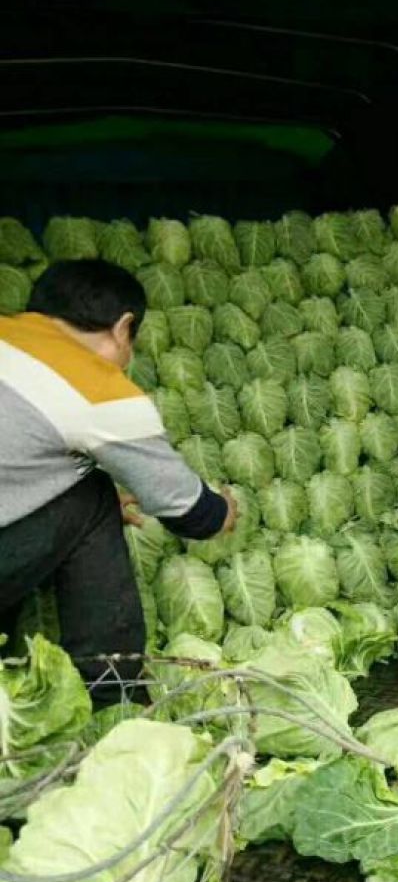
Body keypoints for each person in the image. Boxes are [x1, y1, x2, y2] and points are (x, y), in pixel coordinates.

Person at [0, 259, 237, 695]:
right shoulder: (96, 386)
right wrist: (224, 508)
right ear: (123, 327)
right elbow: (191, 513)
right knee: (94, 497)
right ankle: (112, 689)